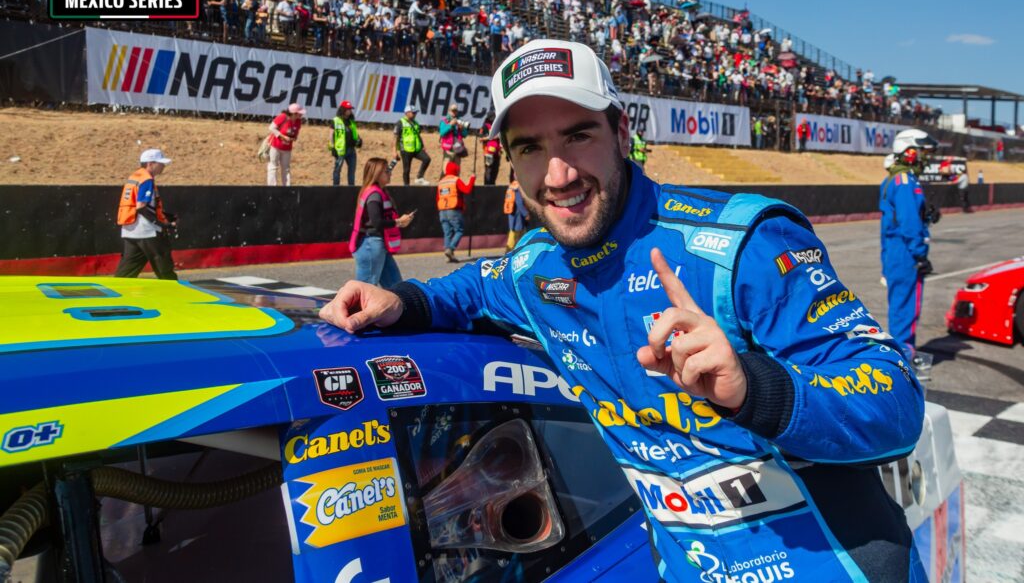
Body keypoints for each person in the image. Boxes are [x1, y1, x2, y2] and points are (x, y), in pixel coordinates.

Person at [321, 40, 927, 581]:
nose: (558, 174)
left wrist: (754, 389)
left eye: (578, 135)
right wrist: (403, 300)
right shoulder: (536, 268)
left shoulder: (741, 245)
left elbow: (895, 404)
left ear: (621, 130)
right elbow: (472, 289)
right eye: (530, 147)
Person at [880, 128, 937, 363]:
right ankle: (903, 361)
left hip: (895, 251)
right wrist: (920, 254)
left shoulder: (895, 177)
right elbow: (908, 222)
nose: (924, 157)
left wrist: (928, 215)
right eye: (921, 151)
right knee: (906, 309)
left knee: (900, 306)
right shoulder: (905, 181)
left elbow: (902, 216)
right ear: (909, 151)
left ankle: (900, 356)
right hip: (905, 253)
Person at [349, 158, 415, 287]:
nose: (390, 173)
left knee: (396, 287)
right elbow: (377, 222)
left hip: (377, 245)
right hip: (372, 245)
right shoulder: (375, 195)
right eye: (386, 171)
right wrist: (399, 222)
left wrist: (394, 160)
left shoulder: (376, 191)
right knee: (365, 290)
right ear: (377, 174)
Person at [114, 148, 178, 280]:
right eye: (160, 163)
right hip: (147, 231)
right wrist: (162, 224)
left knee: (125, 273)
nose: (163, 166)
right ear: (150, 164)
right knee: (164, 269)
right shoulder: (147, 180)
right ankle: (174, 295)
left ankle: (117, 295)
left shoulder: (135, 177)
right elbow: (141, 207)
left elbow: (141, 205)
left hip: (130, 230)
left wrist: (164, 215)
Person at [436, 160, 476, 262]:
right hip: (453, 210)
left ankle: (449, 252)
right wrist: (472, 179)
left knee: (447, 232)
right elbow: (467, 190)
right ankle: (451, 248)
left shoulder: (441, 182)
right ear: (456, 170)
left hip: (442, 211)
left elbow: (437, 198)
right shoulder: (455, 180)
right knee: (459, 230)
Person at [267, 103, 304, 186]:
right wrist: (282, 136)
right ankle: (272, 187)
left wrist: (293, 138)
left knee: (286, 168)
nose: (301, 114)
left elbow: (295, 134)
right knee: (273, 166)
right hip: (276, 146)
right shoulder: (283, 117)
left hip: (287, 148)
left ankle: (287, 187)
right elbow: (271, 127)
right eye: (300, 113)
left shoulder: (298, 121)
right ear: (294, 113)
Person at [394, 105, 431, 185]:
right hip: (405, 150)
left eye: (416, 113)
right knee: (406, 170)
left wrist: (422, 145)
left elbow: (418, 135)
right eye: (413, 113)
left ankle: (419, 177)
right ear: (407, 113)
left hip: (416, 149)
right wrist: (395, 151)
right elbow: (395, 138)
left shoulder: (416, 123)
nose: (415, 114)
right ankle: (406, 186)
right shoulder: (400, 123)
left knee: (427, 159)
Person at [331, 100, 362, 186]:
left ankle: (351, 189)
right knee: (337, 170)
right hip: (340, 150)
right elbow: (331, 134)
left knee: (352, 172)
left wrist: (359, 140)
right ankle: (335, 188)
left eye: (350, 109)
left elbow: (355, 133)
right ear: (343, 109)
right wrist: (333, 147)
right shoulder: (336, 120)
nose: (350, 111)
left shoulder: (352, 121)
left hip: (351, 150)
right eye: (348, 109)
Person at [438, 103, 470, 168]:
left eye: (455, 111)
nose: (454, 112)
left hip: (458, 148)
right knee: (446, 170)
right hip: (448, 149)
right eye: (452, 111)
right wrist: (450, 125)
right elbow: (442, 133)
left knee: (456, 169)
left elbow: (465, 135)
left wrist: (462, 129)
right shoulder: (444, 121)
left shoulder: (460, 121)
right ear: (449, 111)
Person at [503, 170, 528, 252]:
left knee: (512, 231)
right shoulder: (517, 187)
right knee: (517, 231)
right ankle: (513, 249)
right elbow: (519, 202)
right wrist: (526, 214)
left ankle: (509, 248)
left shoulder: (512, 185)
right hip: (517, 213)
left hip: (511, 211)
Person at [481, 109, 502, 185]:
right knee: (488, 170)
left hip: (497, 152)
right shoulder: (485, 126)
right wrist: (492, 137)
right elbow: (481, 138)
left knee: (495, 170)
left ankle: (492, 185)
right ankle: (487, 185)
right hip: (488, 152)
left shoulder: (497, 125)